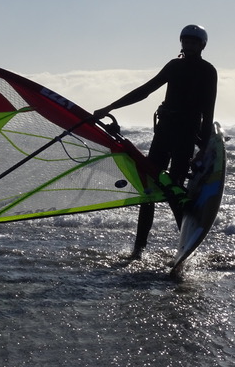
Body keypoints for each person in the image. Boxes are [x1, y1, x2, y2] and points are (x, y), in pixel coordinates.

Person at [93, 24, 218, 258]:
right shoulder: (174, 66)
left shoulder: (207, 71)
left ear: (202, 45)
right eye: (185, 41)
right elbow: (145, 90)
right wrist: (109, 107)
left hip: (185, 133)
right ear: (181, 43)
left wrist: (203, 145)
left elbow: (208, 109)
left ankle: (186, 248)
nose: (188, 45)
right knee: (148, 190)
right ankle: (138, 249)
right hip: (164, 131)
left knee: (175, 188)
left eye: (193, 42)